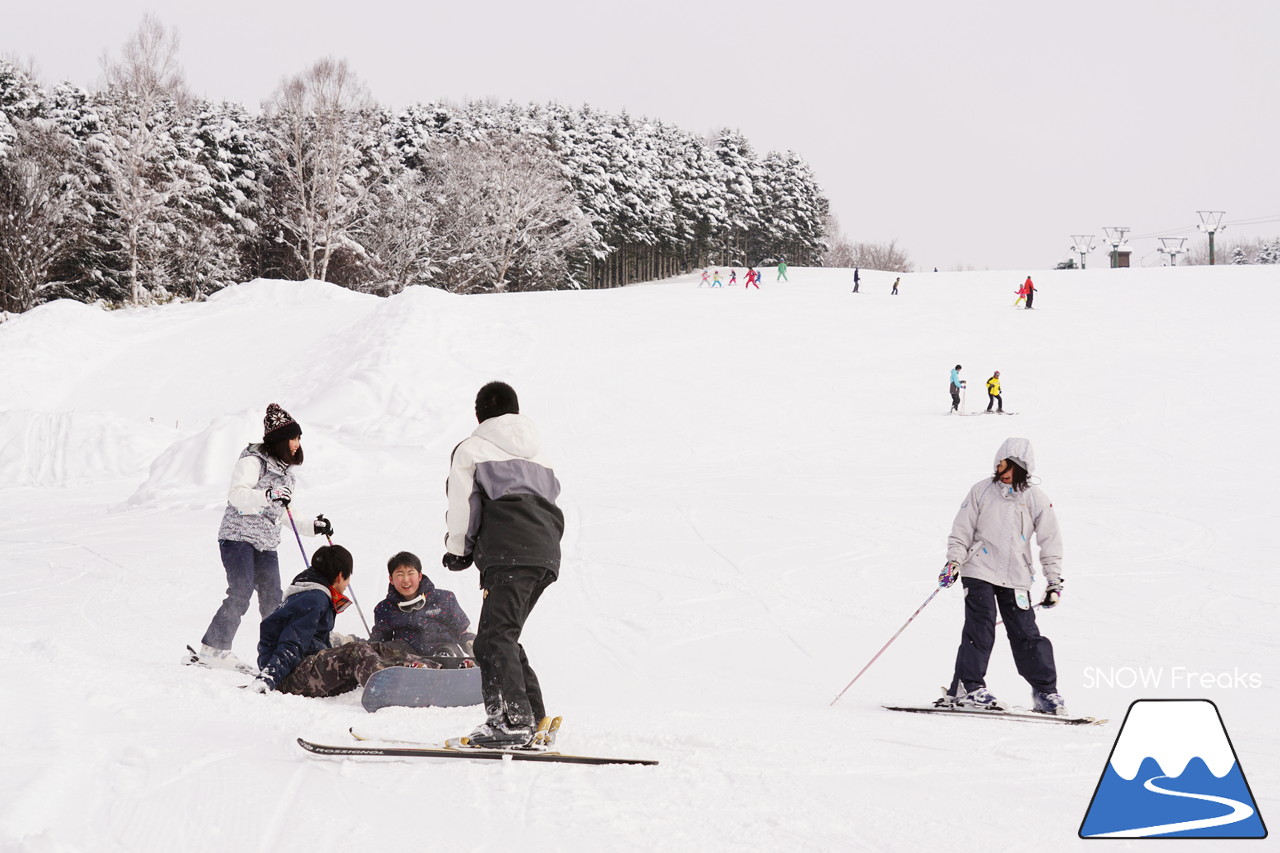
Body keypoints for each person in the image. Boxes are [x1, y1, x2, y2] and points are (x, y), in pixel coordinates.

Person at [443, 381, 565, 747]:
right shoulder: (539, 454)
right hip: (544, 550)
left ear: (479, 414)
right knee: (499, 637)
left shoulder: (471, 448)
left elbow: (464, 502)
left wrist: (459, 549)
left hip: (509, 549)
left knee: (496, 638)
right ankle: (534, 716)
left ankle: (511, 723)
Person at [936, 438, 1066, 715]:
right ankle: (968, 688)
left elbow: (1050, 541)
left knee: (1027, 635)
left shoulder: (1035, 499)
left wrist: (1054, 581)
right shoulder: (981, 491)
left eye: (1007, 466)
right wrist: (954, 561)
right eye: (999, 465)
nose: (1001, 471)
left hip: (1017, 576)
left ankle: (1046, 693)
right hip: (979, 569)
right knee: (980, 627)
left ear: (1021, 468)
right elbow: (962, 530)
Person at [196, 403, 331, 671]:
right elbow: (237, 495)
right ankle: (213, 648)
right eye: (294, 438)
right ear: (281, 440)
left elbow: (284, 513)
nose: (298, 443)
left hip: (266, 543)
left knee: (274, 601)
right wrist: (266, 495)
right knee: (241, 590)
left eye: (299, 437)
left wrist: (312, 526)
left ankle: (279, 654)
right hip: (238, 538)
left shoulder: (286, 474)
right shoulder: (252, 460)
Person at [251, 545, 441, 696]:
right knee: (355, 652)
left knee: (375, 648)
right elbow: (291, 644)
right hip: (289, 677)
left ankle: (433, 671)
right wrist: (268, 678)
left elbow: (311, 642)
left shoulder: (313, 595)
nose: (347, 583)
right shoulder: (313, 599)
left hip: (304, 669)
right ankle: (389, 690)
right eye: (348, 577)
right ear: (341, 575)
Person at [370, 551, 476, 661]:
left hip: (443, 656)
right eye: (400, 574)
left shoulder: (444, 599)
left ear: (419, 576)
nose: (406, 580)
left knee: (446, 650)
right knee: (394, 648)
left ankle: (447, 664)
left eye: (410, 573)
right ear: (391, 579)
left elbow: (462, 630)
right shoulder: (385, 608)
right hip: (408, 661)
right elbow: (378, 642)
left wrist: (471, 643)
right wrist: (355, 643)